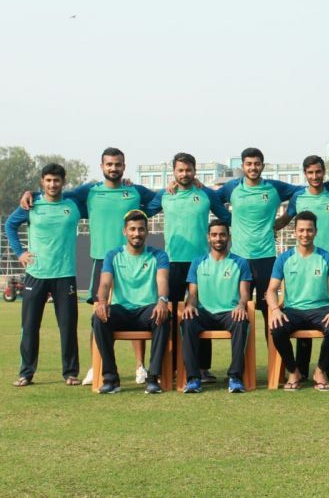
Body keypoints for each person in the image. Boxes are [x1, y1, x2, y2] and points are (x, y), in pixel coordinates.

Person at [22, 147, 158, 385]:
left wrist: (144, 212)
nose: (113, 168)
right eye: (109, 164)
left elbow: (160, 199)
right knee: (99, 314)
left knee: (137, 307)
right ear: (102, 167)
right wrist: (32, 192)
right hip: (101, 260)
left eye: (117, 164)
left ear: (124, 166)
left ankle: (140, 367)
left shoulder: (134, 191)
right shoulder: (90, 192)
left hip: (132, 258)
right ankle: (98, 366)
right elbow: (57, 192)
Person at [148, 152, 232, 384]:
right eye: (180, 170)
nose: (184, 174)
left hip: (202, 264)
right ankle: (174, 366)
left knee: (202, 311)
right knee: (173, 317)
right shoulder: (165, 195)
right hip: (173, 263)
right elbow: (142, 211)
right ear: (173, 172)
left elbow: (226, 216)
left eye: (188, 170)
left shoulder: (205, 194)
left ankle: (203, 368)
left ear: (195, 171)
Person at [275, 155, 329, 382]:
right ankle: (299, 368)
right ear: (305, 174)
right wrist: (261, 227)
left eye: (318, 172)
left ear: (323, 172)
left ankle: (326, 369)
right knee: (302, 308)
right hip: (302, 260)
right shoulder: (298, 198)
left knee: (327, 315)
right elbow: (283, 221)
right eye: (310, 173)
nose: (314, 176)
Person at [5, 163, 84, 387]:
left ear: (63, 181)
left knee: (68, 326)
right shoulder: (32, 203)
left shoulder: (73, 204)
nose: (52, 184)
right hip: (36, 274)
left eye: (56, 180)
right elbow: (10, 225)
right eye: (48, 180)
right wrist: (20, 253)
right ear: (42, 181)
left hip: (64, 274)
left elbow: (92, 191)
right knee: (29, 326)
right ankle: (26, 373)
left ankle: (70, 372)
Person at [216, 147, 304, 327]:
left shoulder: (274, 188)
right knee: (239, 313)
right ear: (242, 166)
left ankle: (273, 355)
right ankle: (242, 356)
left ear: (263, 166)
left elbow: (302, 190)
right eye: (249, 164)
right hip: (238, 259)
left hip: (266, 258)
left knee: (270, 312)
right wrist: (228, 219)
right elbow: (210, 199)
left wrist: (286, 217)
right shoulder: (232, 187)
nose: (253, 168)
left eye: (257, 164)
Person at [91, 210, 170, 394]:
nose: (137, 233)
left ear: (147, 232)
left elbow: (162, 281)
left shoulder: (159, 255)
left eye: (141, 229)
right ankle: (111, 379)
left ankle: (153, 378)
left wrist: (162, 300)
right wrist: (102, 301)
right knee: (98, 318)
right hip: (122, 310)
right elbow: (104, 282)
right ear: (124, 232)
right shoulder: (113, 255)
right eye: (132, 229)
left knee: (164, 316)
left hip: (147, 311)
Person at [266, 211, 329, 391]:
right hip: (292, 310)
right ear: (294, 232)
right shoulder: (284, 258)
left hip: (320, 310)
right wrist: (275, 309)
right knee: (277, 328)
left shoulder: (327, 258)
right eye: (301, 230)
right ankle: (293, 372)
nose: (305, 234)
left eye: (309, 230)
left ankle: (320, 371)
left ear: (315, 232)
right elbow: (271, 290)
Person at [181, 220, 252, 393]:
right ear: (208, 237)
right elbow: (192, 294)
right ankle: (193, 378)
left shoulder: (240, 262)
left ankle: (235, 377)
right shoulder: (198, 263)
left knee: (241, 321)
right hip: (205, 313)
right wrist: (190, 305)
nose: (218, 238)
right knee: (188, 321)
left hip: (229, 313)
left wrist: (242, 305)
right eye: (214, 235)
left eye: (222, 234)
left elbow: (244, 293)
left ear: (229, 237)